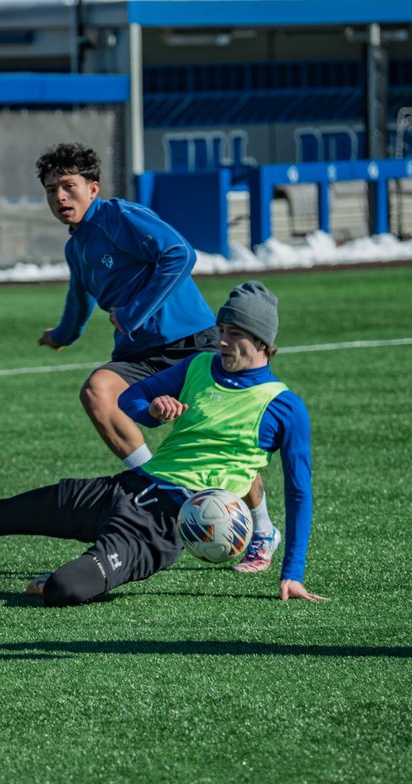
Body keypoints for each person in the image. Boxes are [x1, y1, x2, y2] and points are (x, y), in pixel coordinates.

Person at [0, 280, 328, 605]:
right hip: (124, 489)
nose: (221, 341)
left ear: (263, 343)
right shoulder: (198, 367)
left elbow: (300, 492)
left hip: (158, 531)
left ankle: (79, 570)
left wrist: (293, 571)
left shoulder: (285, 407)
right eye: (220, 328)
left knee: (64, 589)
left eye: (234, 334)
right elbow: (129, 403)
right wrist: (151, 410)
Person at [34, 142, 282, 571]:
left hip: (192, 343)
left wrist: (132, 311)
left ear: (93, 188)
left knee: (220, 438)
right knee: (97, 392)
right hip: (138, 356)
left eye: (69, 186)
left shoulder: (119, 216)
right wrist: (61, 335)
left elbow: (179, 254)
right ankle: (165, 491)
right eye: (52, 189)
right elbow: (80, 302)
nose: (60, 197)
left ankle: (262, 527)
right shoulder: (76, 248)